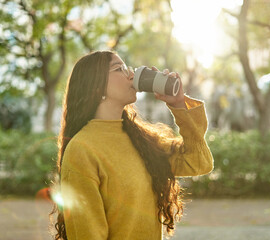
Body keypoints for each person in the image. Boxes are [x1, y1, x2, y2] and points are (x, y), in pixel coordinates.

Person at [50, 50, 213, 240]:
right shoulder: (81, 150)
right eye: (119, 69)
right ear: (96, 87)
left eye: (127, 67)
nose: (131, 74)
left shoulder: (142, 140)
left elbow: (199, 161)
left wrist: (178, 105)